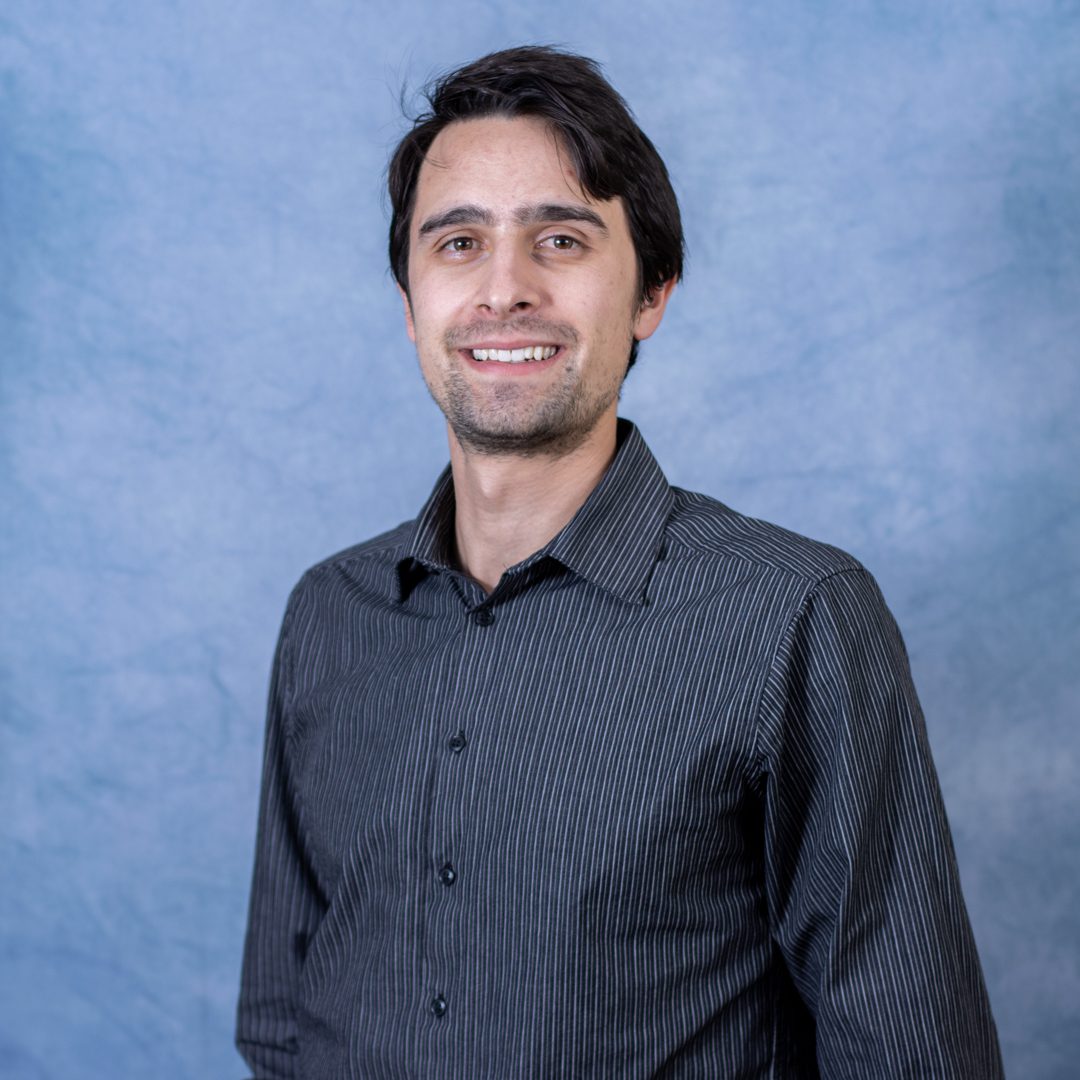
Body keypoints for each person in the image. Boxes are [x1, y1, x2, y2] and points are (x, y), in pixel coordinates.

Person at [236, 45, 1004, 1079]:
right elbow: (286, 1024)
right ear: (411, 303)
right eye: (457, 243)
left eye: (561, 239)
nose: (505, 290)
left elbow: (911, 1054)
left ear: (651, 295)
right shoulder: (330, 615)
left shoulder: (795, 617)